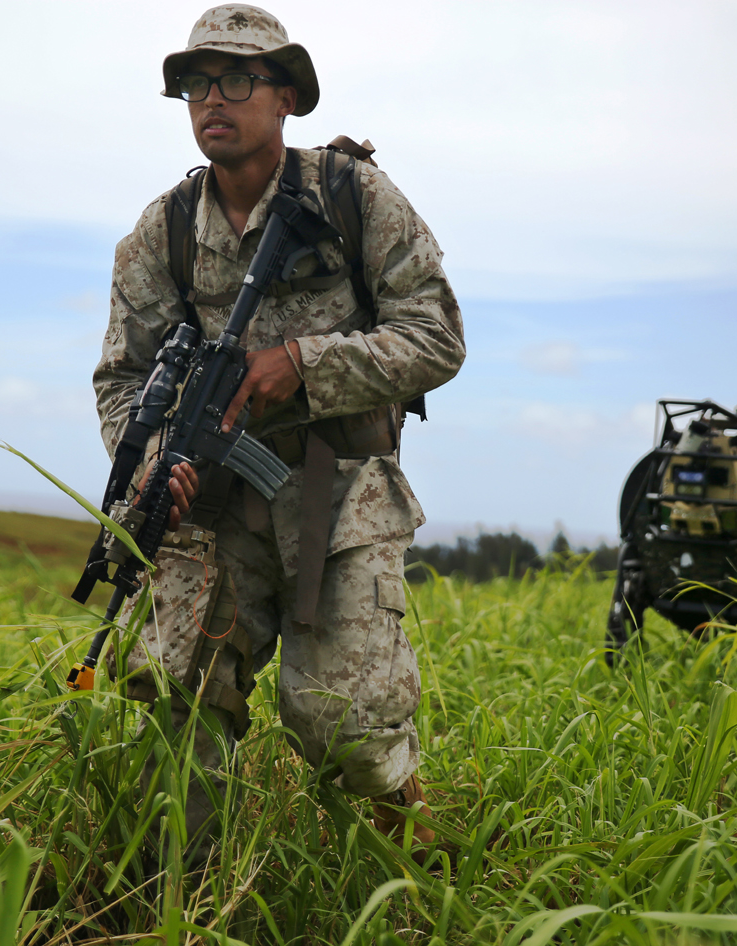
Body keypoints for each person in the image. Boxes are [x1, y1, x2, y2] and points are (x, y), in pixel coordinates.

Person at [92, 4, 464, 860]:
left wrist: (303, 361)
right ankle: (174, 897)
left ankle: (415, 858)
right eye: (193, 82)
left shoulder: (351, 195)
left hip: (341, 491)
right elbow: (122, 378)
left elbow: (438, 336)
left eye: (234, 79)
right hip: (212, 499)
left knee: (345, 725)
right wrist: (152, 464)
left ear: (287, 95)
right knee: (174, 699)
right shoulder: (164, 231)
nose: (209, 99)